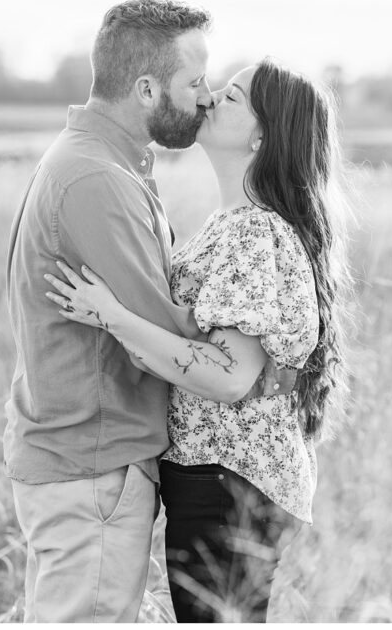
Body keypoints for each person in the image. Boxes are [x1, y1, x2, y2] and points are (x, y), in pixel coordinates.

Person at [43, 57, 350, 621]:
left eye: (231, 98)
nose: (208, 100)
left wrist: (109, 314)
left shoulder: (252, 232)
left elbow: (229, 376)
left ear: (263, 135)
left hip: (228, 482)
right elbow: (207, 335)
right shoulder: (231, 223)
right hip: (221, 477)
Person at [4, 0, 217, 622]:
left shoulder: (99, 163)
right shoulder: (96, 178)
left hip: (83, 465)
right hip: (90, 467)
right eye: (196, 81)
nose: (206, 97)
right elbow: (161, 335)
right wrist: (254, 334)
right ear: (147, 88)